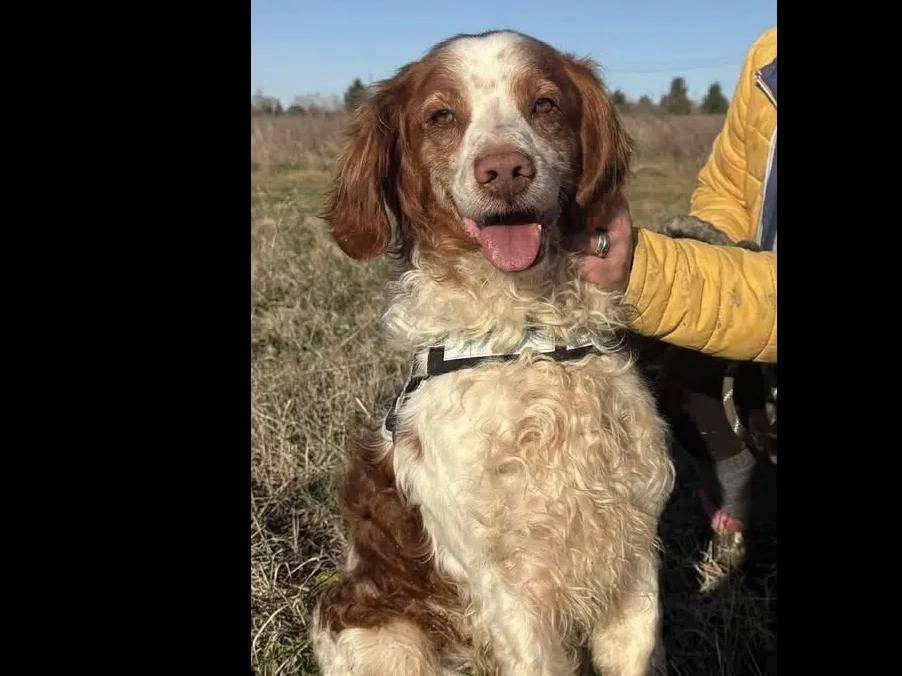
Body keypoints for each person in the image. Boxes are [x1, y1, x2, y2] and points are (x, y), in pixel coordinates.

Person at [570, 27, 777, 547]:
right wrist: (707, 249)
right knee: (668, 368)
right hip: (756, 304)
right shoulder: (769, 53)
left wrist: (647, 273)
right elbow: (730, 187)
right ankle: (734, 468)